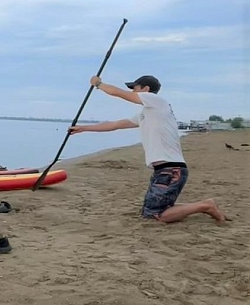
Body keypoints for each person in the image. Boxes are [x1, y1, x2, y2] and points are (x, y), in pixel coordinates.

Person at [69, 75, 227, 224]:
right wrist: (84, 128)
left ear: (145, 89)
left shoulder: (156, 100)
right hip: (165, 169)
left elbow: (118, 93)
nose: (132, 91)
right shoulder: (147, 113)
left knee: (154, 214)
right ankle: (205, 204)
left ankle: (205, 206)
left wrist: (98, 84)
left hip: (171, 169)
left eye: (134, 88)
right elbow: (115, 125)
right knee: (151, 209)